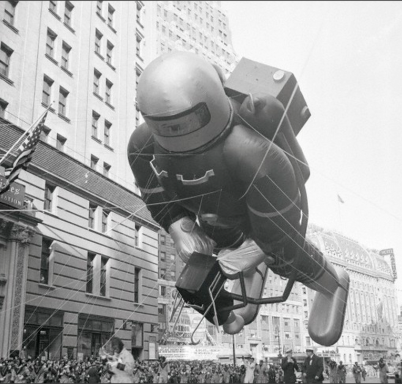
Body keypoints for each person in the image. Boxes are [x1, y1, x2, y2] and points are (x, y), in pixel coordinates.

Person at [128, 50, 350, 344]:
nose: (176, 133)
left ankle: (332, 283)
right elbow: (150, 187)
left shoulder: (246, 151)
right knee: (196, 280)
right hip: (215, 225)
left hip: (262, 224)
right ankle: (229, 311)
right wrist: (177, 225)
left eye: (184, 122)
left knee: (279, 255)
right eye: (166, 127)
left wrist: (242, 256)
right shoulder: (145, 143)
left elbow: (277, 229)